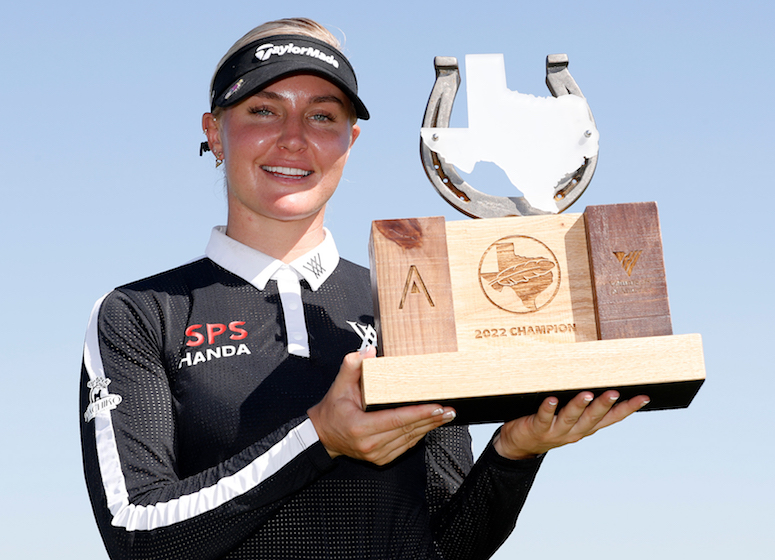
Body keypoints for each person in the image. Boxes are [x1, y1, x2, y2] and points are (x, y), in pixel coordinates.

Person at [79, 17, 650, 560]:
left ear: (350, 141)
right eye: (263, 110)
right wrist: (319, 437)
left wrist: (513, 455)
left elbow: (447, 547)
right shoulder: (140, 314)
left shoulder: (412, 303)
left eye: (323, 117)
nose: (294, 138)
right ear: (215, 132)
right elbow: (137, 536)